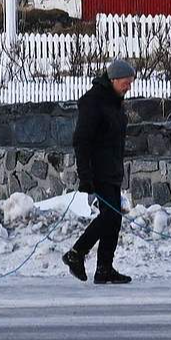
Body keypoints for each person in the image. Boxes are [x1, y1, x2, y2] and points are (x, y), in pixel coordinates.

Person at [63, 59, 135, 285]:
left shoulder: (114, 102)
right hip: (98, 170)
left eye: (130, 82)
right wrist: (86, 176)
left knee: (114, 220)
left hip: (112, 169)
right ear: (113, 80)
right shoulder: (93, 102)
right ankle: (76, 253)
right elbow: (81, 140)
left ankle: (104, 268)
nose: (128, 87)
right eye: (126, 83)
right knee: (109, 216)